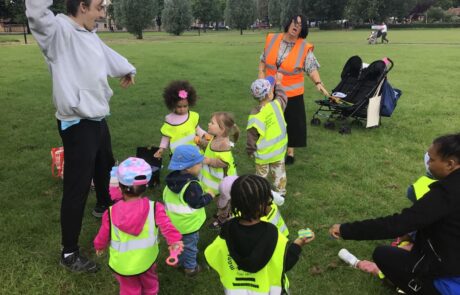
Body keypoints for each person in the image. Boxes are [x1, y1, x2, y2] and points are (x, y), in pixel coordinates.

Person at [26, 0, 136, 272]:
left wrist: (126, 68)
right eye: (99, 8)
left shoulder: (90, 35)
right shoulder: (57, 33)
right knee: (77, 186)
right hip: (77, 123)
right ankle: (69, 253)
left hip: (98, 119)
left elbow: (106, 55)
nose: (102, 14)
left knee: (105, 166)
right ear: (83, 6)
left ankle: (102, 207)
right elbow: (37, 14)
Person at [329, 133, 460, 294]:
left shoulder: (447, 193)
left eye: (432, 160)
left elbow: (397, 224)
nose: (428, 163)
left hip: (450, 273)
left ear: (450, 164)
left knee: (383, 254)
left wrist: (345, 229)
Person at [204, 175, 314, 294]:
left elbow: (213, 256)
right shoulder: (272, 234)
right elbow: (285, 263)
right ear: (260, 206)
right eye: (268, 200)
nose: (271, 203)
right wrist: (298, 243)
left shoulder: (226, 231)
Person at [94, 157, 183, 295]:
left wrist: (99, 246)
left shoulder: (110, 213)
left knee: (129, 289)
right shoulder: (155, 208)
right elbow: (167, 226)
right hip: (146, 260)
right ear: (145, 185)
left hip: (123, 264)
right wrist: (174, 241)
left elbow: (103, 234)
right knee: (150, 282)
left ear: (120, 187)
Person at [258, 14, 329, 165]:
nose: (296, 26)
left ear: (302, 30)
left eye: (300, 25)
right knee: (270, 119)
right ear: (289, 23)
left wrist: (318, 82)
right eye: (295, 22)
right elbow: (263, 60)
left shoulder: (303, 46)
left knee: (291, 122)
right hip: (270, 90)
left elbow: (311, 67)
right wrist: (261, 78)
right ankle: (270, 146)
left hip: (292, 93)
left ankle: (290, 152)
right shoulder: (272, 39)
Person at [162, 145, 215, 276]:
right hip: (188, 226)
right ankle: (191, 268)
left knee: (176, 244)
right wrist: (209, 196)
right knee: (190, 247)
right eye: (199, 164)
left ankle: (177, 260)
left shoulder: (172, 181)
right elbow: (197, 203)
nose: (201, 166)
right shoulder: (191, 186)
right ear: (189, 168)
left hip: (172, 224)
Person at [247, 73, 288, 197]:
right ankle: (281, 193)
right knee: (279, 174)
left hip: (263, 155)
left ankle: (262, 194)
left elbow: (251, 135)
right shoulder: (277, 104)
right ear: (270, 94)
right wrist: (279, 83)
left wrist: (250, 150)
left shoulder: (255, 115)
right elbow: (283, 96)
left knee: (261, 176)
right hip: (278, 152)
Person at [154, 80, 207, 159]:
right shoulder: (170, 120)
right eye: (179, 107)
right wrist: (162, 148)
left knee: (193, 170)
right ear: (172, 105)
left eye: (185, 106)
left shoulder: (192, 116)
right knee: (180, 171)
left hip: (193, 150)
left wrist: (205, 135)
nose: (182, 109)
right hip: (177, 153)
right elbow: (166, 136)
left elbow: (197, 129)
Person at [199, 112, 238, 196]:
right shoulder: (216, 137)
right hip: (215, 175)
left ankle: (224, 208)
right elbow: (211, 146)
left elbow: (224, 161)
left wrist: (210, 161)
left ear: (222, 129)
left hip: (223, 177)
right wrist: (201, 142)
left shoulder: (223, 144)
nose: (209, 124)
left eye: (212, 123)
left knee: (223, 195)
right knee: (218, 193)